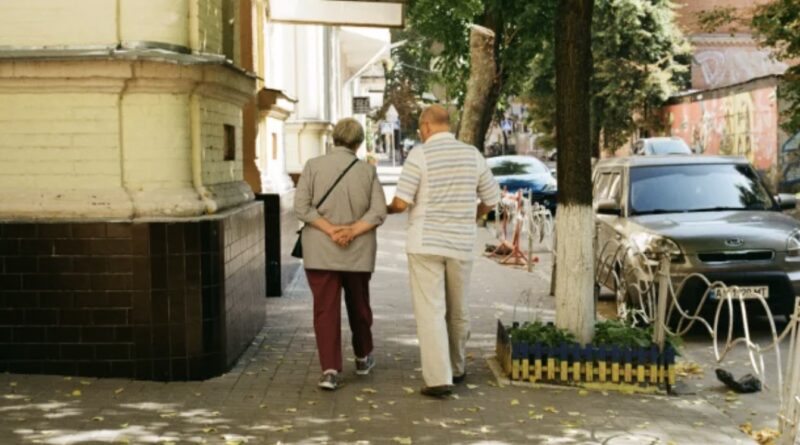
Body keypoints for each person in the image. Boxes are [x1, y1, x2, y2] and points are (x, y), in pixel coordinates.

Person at [387, 105, 500, 397]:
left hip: (425, 243)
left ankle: (438, 379)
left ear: (426, 126)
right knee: (458, 308)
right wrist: (471, 215)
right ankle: (458, 368)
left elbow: (400, 203)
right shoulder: (472, 155)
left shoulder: (419, 155)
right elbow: (491, 198)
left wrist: (384, 209)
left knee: (431, 310)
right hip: (461, 243)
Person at [294, 118, 388, 391]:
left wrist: (331, 230)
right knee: (359, 306)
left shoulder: (312, 166)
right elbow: (378, 211)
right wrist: (351, 232)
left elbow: (302, 208)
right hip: (357, 252)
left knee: (325, 310)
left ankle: (330, 370)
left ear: (333, 139)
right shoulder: (367, 173)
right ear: (358, 144)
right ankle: (362, 357)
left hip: (320, 250)